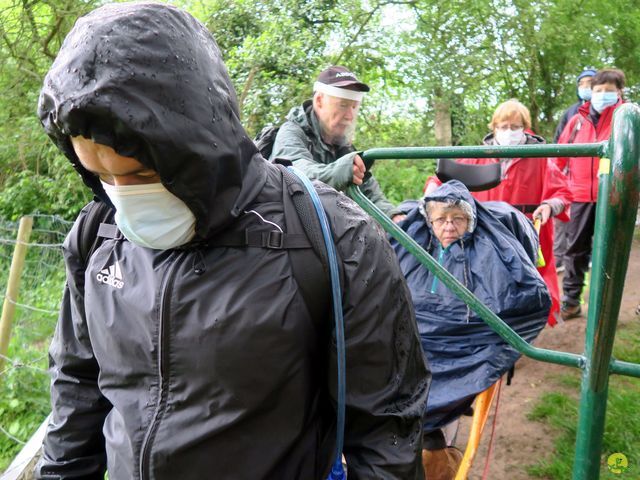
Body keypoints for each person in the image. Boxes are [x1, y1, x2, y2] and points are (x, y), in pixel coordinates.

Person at [35, 4, 430, 479]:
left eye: (142, 173)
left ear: (200, 139)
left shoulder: (334, 238)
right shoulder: (96, 233)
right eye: (100, 176)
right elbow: (77, 388)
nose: (123, 197)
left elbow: (386, 432)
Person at [391, 180, 550, 480]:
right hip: (415, 336)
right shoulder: (412, 247)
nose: (448, 226)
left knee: (427, 388)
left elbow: (521, 298)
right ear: (429, 222)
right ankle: (427, 443)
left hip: (465, 342)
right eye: (440, 220)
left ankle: (434, 447)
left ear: (470, 221)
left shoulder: (489, 251)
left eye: (458, 219)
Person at [425, 99, 572, 326]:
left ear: (525, 127)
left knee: (524, 283)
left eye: (515, 127)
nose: (509, 132)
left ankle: (521, 328)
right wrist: (431, 192)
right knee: (489, 281)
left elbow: (563, 193)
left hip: (526, 233)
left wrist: (550, 206)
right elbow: (442, 178)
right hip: (488, 232)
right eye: (503, 127)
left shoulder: (540, 156)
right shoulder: (479, 154)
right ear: (494, 128)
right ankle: (489, 327)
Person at [270, 66, 405, 221]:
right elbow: (294, 171)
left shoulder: (345, 149)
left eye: (354, 106)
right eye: (343, 105)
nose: (350, 115)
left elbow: (371, 196)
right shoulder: (291, 132)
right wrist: (342, 170)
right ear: (319, 101)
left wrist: (394, 217)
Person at [554, 68, 626, 320]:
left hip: (614, 196)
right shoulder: (577, 120)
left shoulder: (627, 119)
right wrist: (558, 189)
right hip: (580, 195)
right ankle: (571, 302)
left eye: (609, 90)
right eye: (598, 90)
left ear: (619, 92)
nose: (602, 95)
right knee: (575, 251)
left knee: (612, 251)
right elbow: (558, 157)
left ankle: (607, 307)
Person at [552, 68, 596, 272]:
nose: (586, 87)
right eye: (582, 83)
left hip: (599, 182)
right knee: (565, 223)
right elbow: (558, 146)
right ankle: (560, 260)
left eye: (590, 82)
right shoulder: (570, 114)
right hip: (572, 182)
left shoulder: (609, 113)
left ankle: (594, 258)